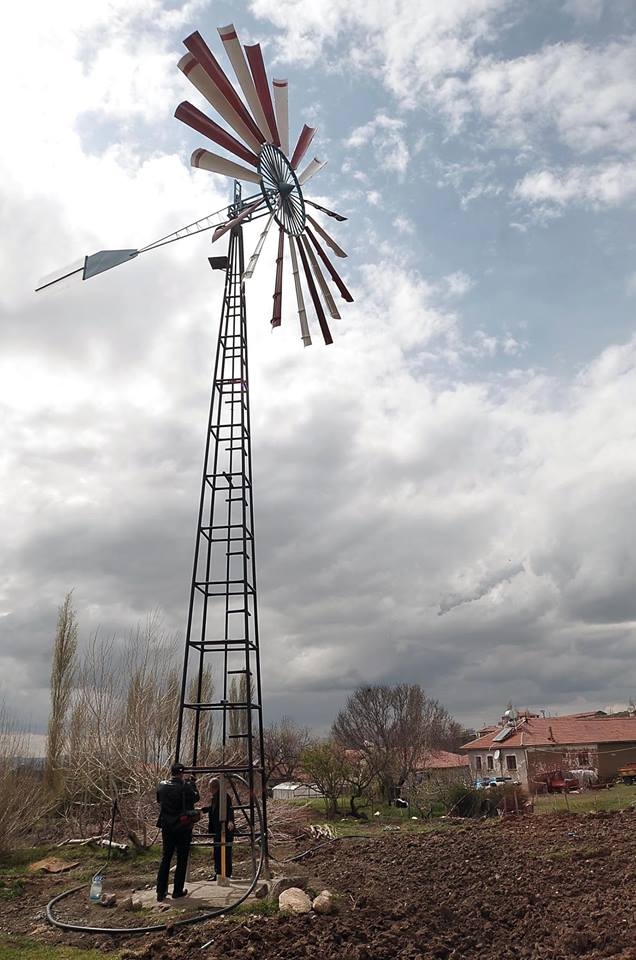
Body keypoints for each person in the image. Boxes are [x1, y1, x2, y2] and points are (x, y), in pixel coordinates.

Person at [155, 761, 200, 901]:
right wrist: (192, 784)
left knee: (166, 858)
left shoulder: (162, 785)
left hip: (167, 827)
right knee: (181, 859)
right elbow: (196, 797)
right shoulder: (185, 786)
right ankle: (177, 890)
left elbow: (159, 800)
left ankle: (160, 892)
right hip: (182, 826)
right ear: (182, 773)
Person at [202, 777, 235, 881]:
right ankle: (218, 873)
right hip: (217, 829)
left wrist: (230, 821)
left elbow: (230, 809)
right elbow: (213, 809)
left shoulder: (224, 797)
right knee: (217, 852)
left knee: (226, 851)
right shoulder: (215, 797)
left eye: (210, 787)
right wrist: (204, 810)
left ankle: (227, 874)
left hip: (225, 828)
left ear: (213, 787)